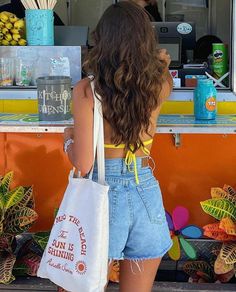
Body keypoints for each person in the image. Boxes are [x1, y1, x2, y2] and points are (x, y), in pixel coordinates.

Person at [64, 2, 172, 291]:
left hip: (101, 195)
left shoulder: (86, 90)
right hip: (145, 192)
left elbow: (83, 164)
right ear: (146, 40)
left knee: (85, 286)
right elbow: (162, 63)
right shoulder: (161, 82)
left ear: (102, 39)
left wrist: (67, 138)